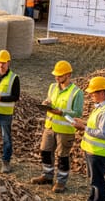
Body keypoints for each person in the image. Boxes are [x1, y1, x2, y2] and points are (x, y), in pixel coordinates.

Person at [30, 60, 84, 193]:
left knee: (62, 157)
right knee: (45, 152)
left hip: (65, 130)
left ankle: (61, 182)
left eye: (60, 75)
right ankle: (47, 176)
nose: (57, 77)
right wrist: (46, 103)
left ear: (68, 75)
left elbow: (77, 113)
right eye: (56, 75)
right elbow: (49, 100)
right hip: (50, 127)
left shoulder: (77, 92)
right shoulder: (53, 87)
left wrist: (61, 112)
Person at [71, 76, 105, 201]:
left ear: (103, 93)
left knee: (98, 182)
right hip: (92, 150)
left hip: (99, 153)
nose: (91, 95)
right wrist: (83, 122)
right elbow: (97, 126)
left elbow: (103, 134)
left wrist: (84, 128)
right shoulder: (100, 107)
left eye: (94, 93)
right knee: (93, 180)